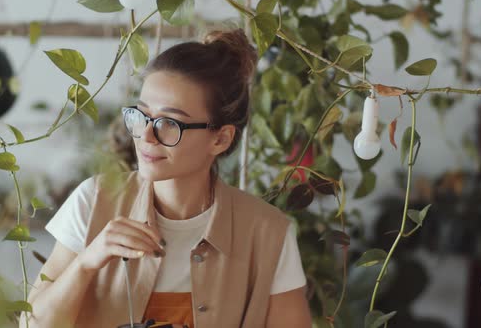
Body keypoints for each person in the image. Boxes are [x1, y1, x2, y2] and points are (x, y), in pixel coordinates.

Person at [22, 28, 312, 328]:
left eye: (169, 123)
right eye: (142, 115)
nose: (146, 135)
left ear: (221, 139)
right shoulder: (94, 199)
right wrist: (88, 261)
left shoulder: (267, 233)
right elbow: (33, 325)